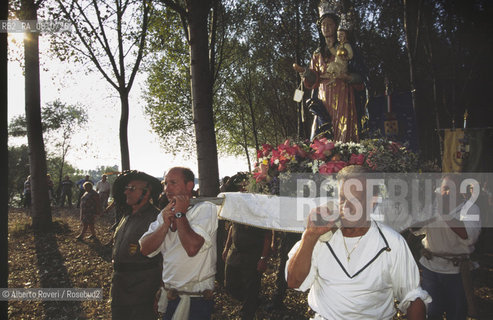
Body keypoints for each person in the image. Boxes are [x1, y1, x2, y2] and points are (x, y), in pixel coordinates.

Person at [286, 165, 430, 319]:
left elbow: (412, 297)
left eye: (354, 200)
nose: (346, 207)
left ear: (372, 201)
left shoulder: (392, 243)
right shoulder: (320, 236)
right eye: (342, 198)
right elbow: (294, 281)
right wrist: (309, 236)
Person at [140, 167, 218, 320]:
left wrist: (180, 215)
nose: (167, 188)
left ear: (189, 186)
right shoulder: (164, 213)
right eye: (165, 183)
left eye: (173, 183)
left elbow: (192, 248)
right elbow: (145, 249)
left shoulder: (206, 208)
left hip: (197, 298)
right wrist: (164, 226)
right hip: (170, 294)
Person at [293, 1, 366, 142]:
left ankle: (345, 154)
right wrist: (304, 72)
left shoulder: (346, 49)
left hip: (342, 92)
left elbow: (360, 75)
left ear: (336, 27)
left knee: (343, 127)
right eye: (323, 25)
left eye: (329, 24)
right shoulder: (316, 53)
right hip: (323, 95)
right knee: (323, 130)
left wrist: (347, 77)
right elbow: (314, 78)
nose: (326, 27)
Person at [414, 175, 481, 319]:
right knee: (431, 312)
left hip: (456, 272)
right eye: (445, 188)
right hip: (430, 268)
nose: (448, 193)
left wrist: (444, 214)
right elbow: (417, 230)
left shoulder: (470, 209)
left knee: (456, 313)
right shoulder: (431, 207)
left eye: (452, 189)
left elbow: (469, 236)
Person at [110, 170, 163, 320]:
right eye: (126, 187)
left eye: (132, 188)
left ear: (147, 193)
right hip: (119, 288)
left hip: (142, 292)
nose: (126, 191)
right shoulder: (127, 216)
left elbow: (164, 257)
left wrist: (160, 290)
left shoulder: (156, 218)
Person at [221, 173, 274, 319]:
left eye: (245, 186)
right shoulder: (238, 205)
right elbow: (232, 228)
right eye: (241, 187)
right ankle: (253, 301)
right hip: (235, 253)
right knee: (230, 286)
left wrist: (263, 258)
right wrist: (226, 248)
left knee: (252, 288)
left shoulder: (261, 208)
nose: (242, 189)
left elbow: (268, 235)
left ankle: (249, 311)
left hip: (253, 255)